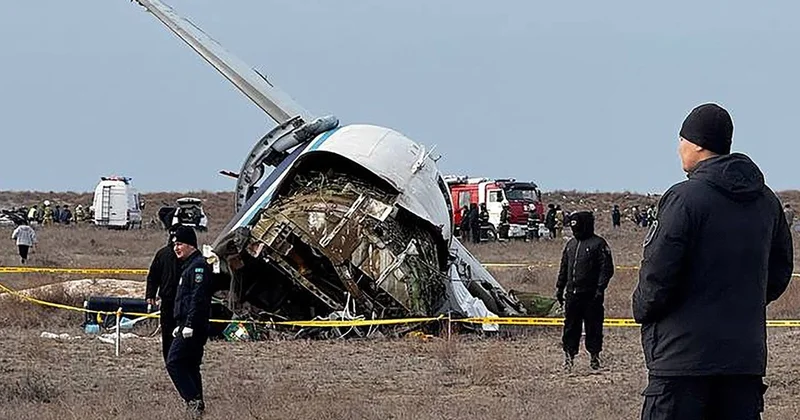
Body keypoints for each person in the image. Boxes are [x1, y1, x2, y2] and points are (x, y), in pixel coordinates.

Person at [632, 103, 793, 419]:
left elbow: (657, 275)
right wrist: (741, 303)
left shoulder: (684, 198)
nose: (678, 149)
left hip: (682, 365)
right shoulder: (766, 201)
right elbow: (780, 271)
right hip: (742, 365)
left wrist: (642, 309)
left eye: (681, 140)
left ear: (699, 144)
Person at [555, 210, 614, 372]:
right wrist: (559, 288)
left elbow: (606, 269)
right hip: (572, 295)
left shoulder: (599, 244)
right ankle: (569, 357)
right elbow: (564, 268)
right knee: (570, 327)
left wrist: (600, 289)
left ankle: (594, 356)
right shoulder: (571, 245)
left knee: (593, 327)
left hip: (591, 296)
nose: (575, 230)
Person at [167, 226, 213, 417]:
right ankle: (197, 408)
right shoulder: (188, 266)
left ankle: (193, 402)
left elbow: (198, 297)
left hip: (193, 325)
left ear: (191, 245)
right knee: (190, 365)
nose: (176, 248)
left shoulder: (198, 266)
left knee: (174, 362)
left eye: (179, 244)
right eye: (174, 245)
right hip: (185, 323)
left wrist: (190, 324)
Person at [146, 227, 181, 363]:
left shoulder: (188, 257)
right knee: (167, 332)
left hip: (183, 301)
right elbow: (153, 276)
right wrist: (150, 294)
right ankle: (169, 360)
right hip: (167, 300)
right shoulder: (162, 254)